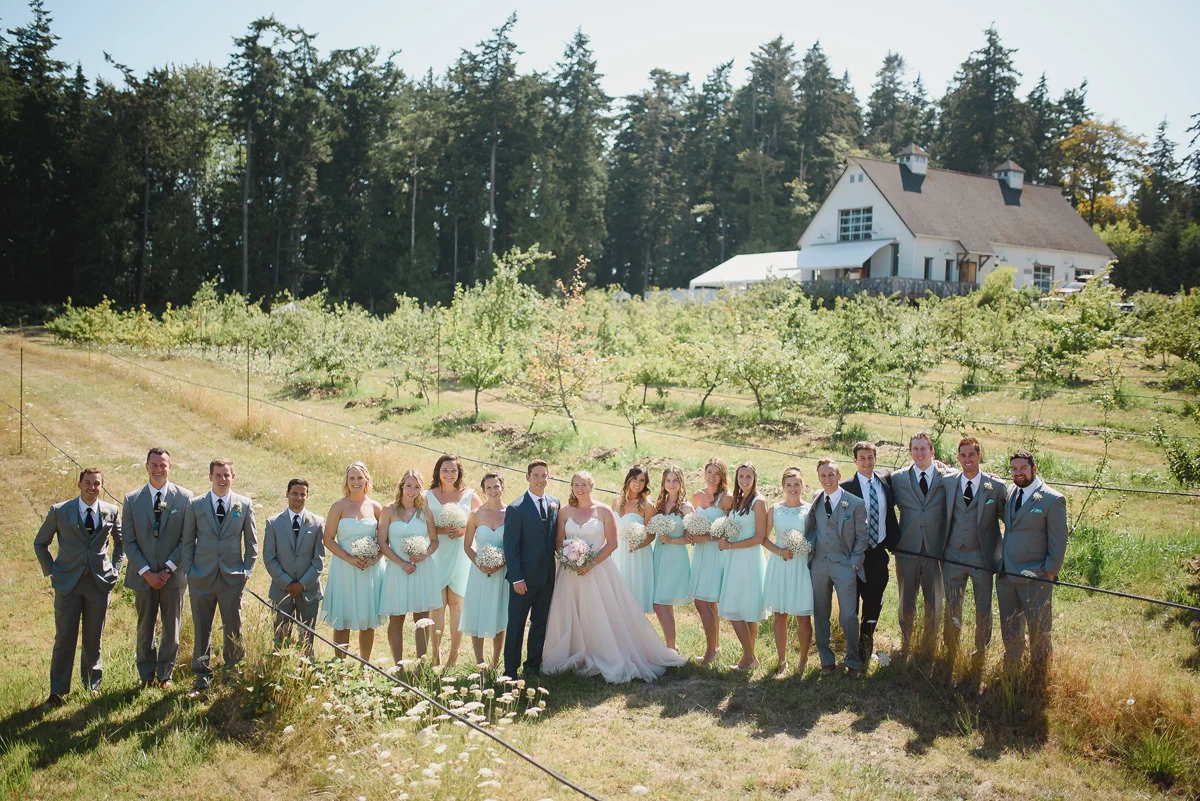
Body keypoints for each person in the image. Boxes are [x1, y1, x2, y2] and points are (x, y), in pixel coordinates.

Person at [542, 472, 684, 682]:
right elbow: (558, 541)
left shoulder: (603, 510)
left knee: (598, 612)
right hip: (570, 572)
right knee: (571, 611)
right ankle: (573, 651)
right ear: (571, 487)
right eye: (576, 485)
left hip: (598, 570)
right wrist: (570, 557)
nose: (580, 489)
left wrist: (590, 563)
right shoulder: (564, 512)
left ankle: (604, 652)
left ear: (592, 486)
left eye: (584, 484)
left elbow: (612, 543)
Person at [34, 467, 123, 707]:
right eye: (88, 482)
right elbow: (40, 543)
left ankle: (92, 686)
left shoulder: (111, 511)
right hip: (68, 585)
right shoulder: (60, 511)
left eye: (96, 483)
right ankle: (57, 691)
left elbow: (121, 543)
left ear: (102, 486)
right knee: (64, 639)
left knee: (94, 639)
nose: (92, 487)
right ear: (79, 484)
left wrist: (115, 570)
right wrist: (53, 571)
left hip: (98, 583)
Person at [182, 458, 257, 698]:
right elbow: (187, 541)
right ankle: (201, 676)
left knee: (233, 628)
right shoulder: (196, 505)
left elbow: (252, 542)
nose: (222, 479)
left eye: (226, 475)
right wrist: (190, 571)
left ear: (233, 477)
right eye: (218, 475)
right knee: (201, 628)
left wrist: (246, 571)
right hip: (201, 577)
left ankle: (233, 674)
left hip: (231, 578)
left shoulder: (244, 504)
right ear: (210, 477)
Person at [122, 447, 192, 689]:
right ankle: (146, 674)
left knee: (171, 627)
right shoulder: (132, 499)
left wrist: (168, 569)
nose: (158, 469)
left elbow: (186, 538)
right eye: (154, 465)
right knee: (145, 627)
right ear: (146, 467)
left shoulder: (184, 498)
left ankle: (165, 674)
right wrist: (146, 572)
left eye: (163, 465)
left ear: (170, 467)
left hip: (173, 576)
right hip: (143, 577)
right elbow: (128, 540)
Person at [998, 449, 1068, 675]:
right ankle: (1011, 672)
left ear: (1034, 469)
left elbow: (1059, 540)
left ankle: (1039, 675)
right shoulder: (1011, 492)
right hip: (1007, 574)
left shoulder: (1052, 499)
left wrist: (1049, 572)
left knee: (1039, 629)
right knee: (1010, 626)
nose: (1018, 472)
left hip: (1035, 576)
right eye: (1014, 468)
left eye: (1023, 468)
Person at [941, 438, 1006, 666]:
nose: (967, 459)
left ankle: (981, 650)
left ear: (980, 455)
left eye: (971, 455)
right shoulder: (948, 482)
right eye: (963, 455)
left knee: (983, 606)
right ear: (958, 457)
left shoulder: (995, 486)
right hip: (953, 554)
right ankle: (950, 648)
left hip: (982, 556)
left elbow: (1008, 519)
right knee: (952, 604)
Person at [804, 458, 869, 678]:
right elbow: (812, 527)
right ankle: (826, 660)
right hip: (819, 564)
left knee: (848, 615)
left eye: (831, 474)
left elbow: (862, 537)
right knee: (821, 612)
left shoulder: (855, 503)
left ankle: (852, 660)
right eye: (823, 475)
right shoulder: (816, 498)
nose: (827, 479)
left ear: (839, 476)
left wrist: (853, 564)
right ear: (818, 477)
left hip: (844, 565)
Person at [890, 432, 949, 659]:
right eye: (915, 448)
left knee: (934, 599)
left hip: (935, 549)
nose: (919, 453)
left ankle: (929, 645)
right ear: (910, 452)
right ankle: (906, 641)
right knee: (906, 598)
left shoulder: (948, 477)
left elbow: (972, 478)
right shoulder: (898, 478)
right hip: (907, 549)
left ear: (932, 451)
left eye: (924, 448)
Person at [840, 441, 899, 663]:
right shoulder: (845, 488)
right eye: (862, 458)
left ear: (876, 459)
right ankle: (851, 650)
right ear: (855, 460)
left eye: (870, 457)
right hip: (853, 555)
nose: (867, 462)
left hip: (877, 552)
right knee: (851, 606)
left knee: (874, 602)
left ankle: (866, 646)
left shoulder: (885, 479)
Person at [320, 462, 383, 662]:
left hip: (368, 570)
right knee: (342, 620)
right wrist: (349, 558)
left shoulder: (375, 507)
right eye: (352, 478)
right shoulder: (338, 506)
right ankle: (340, 667)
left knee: (367, 621)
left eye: (359, 477)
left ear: (367, 480)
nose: (356, 482)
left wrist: (374, 559)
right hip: (344, 568)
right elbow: (328, 539)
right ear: (346, 481)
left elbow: (384, 540)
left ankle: (365, 666)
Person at [502, 460, 559, 680]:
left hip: (547, 577)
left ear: (548, 477)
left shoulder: (555, 503)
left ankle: (533, 666)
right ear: (527, 477)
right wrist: (517, 578)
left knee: (540, 624)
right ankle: (510, 671)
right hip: (523, 580)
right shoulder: (516, 508)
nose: (540, 479)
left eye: (544, 475)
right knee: (516, 625)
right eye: (536, 475)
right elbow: (511, 546)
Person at [378, 469, 441, 664]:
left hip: (421, 570)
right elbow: (382, 542)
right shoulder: (388, 510)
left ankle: (421, 664)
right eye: (408, 486)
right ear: (401, 486)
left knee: (421, 619)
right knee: (396, 619)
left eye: (416, 487)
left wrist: (425, 554)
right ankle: (399, 666)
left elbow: (434, 541)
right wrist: (402, 563)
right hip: (397, 570)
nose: (411, 491)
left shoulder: (425, 511)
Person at [425, 454, 482, 667]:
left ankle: (454, 653)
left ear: (459, 473)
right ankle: (435, 652)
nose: (449, 474)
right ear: (438, 472)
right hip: (437, 552)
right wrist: (441, 530)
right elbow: (420, 524)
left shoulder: (470, 495)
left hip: (460, 553)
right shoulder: (427, 496)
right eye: (445, 470)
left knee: (457, 604)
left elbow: (482, 521)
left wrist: (464, 530)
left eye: (453, 470)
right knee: (437, 604)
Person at [263, 478, 325, 657]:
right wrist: (288, 583)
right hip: (282, 590)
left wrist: (302, 584)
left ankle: (306, 668)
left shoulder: (317, 522)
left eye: (302, 494)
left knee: (307, 639)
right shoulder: (273, 523)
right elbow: (269, 557)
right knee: (280, 637)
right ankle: (279, 667)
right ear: (287, 494)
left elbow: (319, 559)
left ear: (307, 496)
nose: (298, 497)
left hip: (308, 590)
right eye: (294, 493)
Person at [762, 466, 814, 673]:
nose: (793, 488)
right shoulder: (774, 509)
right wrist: (779, 551)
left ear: (803, 485)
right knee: (780, 614)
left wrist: (806, 548)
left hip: (802, 566)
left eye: (797, 484)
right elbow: (764, 539)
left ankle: (802, 660)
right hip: (780, 564)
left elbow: (816, 537)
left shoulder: (810, 509)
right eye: (789, 484)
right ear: (783, 487)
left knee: (803, 617)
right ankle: (782, 661)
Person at [717, 462, 767, 672]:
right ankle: (749, 658)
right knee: (743, 608)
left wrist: (731, 545)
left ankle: (749, 657)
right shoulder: (736, 500)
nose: (744, 480)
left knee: (737, 608)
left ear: (755, 478)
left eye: (748, 476)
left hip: (749, 558)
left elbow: (759, 537)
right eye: (741, 477)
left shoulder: (759, 501)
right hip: (734, 557)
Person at [460, 472, 510, 666]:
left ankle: (496, 662)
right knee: (477, 613)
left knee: (500, 613)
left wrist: (501, 563)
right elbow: (467, 546)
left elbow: (515, 545)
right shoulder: (475, 515)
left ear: (502, 488)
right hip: (479, 572)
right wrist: (480, 563)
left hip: (502, 572)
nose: (493, 490)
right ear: (483, 490)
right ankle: (480, 662)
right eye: (489, 487)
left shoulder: (511, 514)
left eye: (496, 486)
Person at [688, 457, 730, 665]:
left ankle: (710, 651)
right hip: (700, 553)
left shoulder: (727, 498)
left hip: (716, 553)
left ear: (722, 476)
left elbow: (731, 530)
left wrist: (707, 537)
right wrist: (690, 533)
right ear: (704, 473)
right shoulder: (697, 495)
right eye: (709, 472)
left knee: (703, 601)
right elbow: (692, 522)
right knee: (707, 601)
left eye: (717, 473)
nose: (712, 477)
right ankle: (715, 648)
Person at [650, 466, 693, 651]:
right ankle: (672, 644)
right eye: (668, 480)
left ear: (681, 482)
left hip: (676, 556)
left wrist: (671, 540)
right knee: (664, 602)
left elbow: (691, 539)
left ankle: (670, 648)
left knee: (660, 603)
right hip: (659, 554)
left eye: (675, 480)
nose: (671, 484)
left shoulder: (686, 507)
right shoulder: (659, 504)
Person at [611, 465, 655, 615]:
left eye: (642, 480)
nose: (638, 483)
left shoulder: (647, 506)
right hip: (617, 552)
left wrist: (638, 545)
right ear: (628, 479)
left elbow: (652, 534)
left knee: (632, 592)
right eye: (635, 478)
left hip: (636, 555)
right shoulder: (616, 501)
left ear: (646, 484)